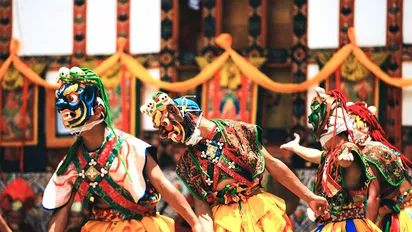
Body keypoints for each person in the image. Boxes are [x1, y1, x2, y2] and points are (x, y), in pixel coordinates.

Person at [42, 67, 203, 232]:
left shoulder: (130, 147)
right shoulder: (72, 162)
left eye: (72, 99)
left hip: (139, 227)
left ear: (99, 110)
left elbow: (163, 185)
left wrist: (195, 223)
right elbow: (62, 210)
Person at [141, 91, 329, 231]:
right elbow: (201, 205)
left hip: (261, 212)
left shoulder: (236, 131)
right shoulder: (188, 161)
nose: (173, 136)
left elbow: (273, 165)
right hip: (225, 221)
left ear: (186, 115)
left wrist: (309, 196)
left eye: (170, 127)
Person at [282, 100, 412, 231]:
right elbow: (318, 155)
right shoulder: (335, 153)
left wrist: (367, 226)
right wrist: (296, 148)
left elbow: (374, 196)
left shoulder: (362, 152)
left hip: (397, 215)